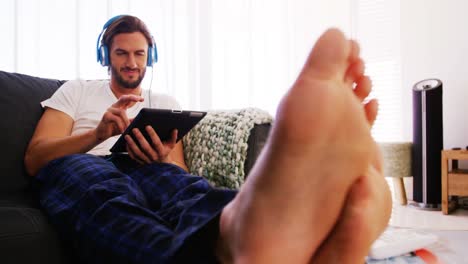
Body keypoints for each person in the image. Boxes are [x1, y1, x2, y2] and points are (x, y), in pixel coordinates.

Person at [24, 15, 391, 263]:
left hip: (143, 166)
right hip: (84, 163)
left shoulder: (164, 103)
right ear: (106, 55)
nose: (132, 62)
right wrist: (97, 135)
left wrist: (161, 156)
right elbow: (36, 158)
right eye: (121, 53)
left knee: (182, 188)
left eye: (139, 53)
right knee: (103, 192)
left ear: (150, 57)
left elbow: (180, 170)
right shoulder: (75, 91)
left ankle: (238, 230)